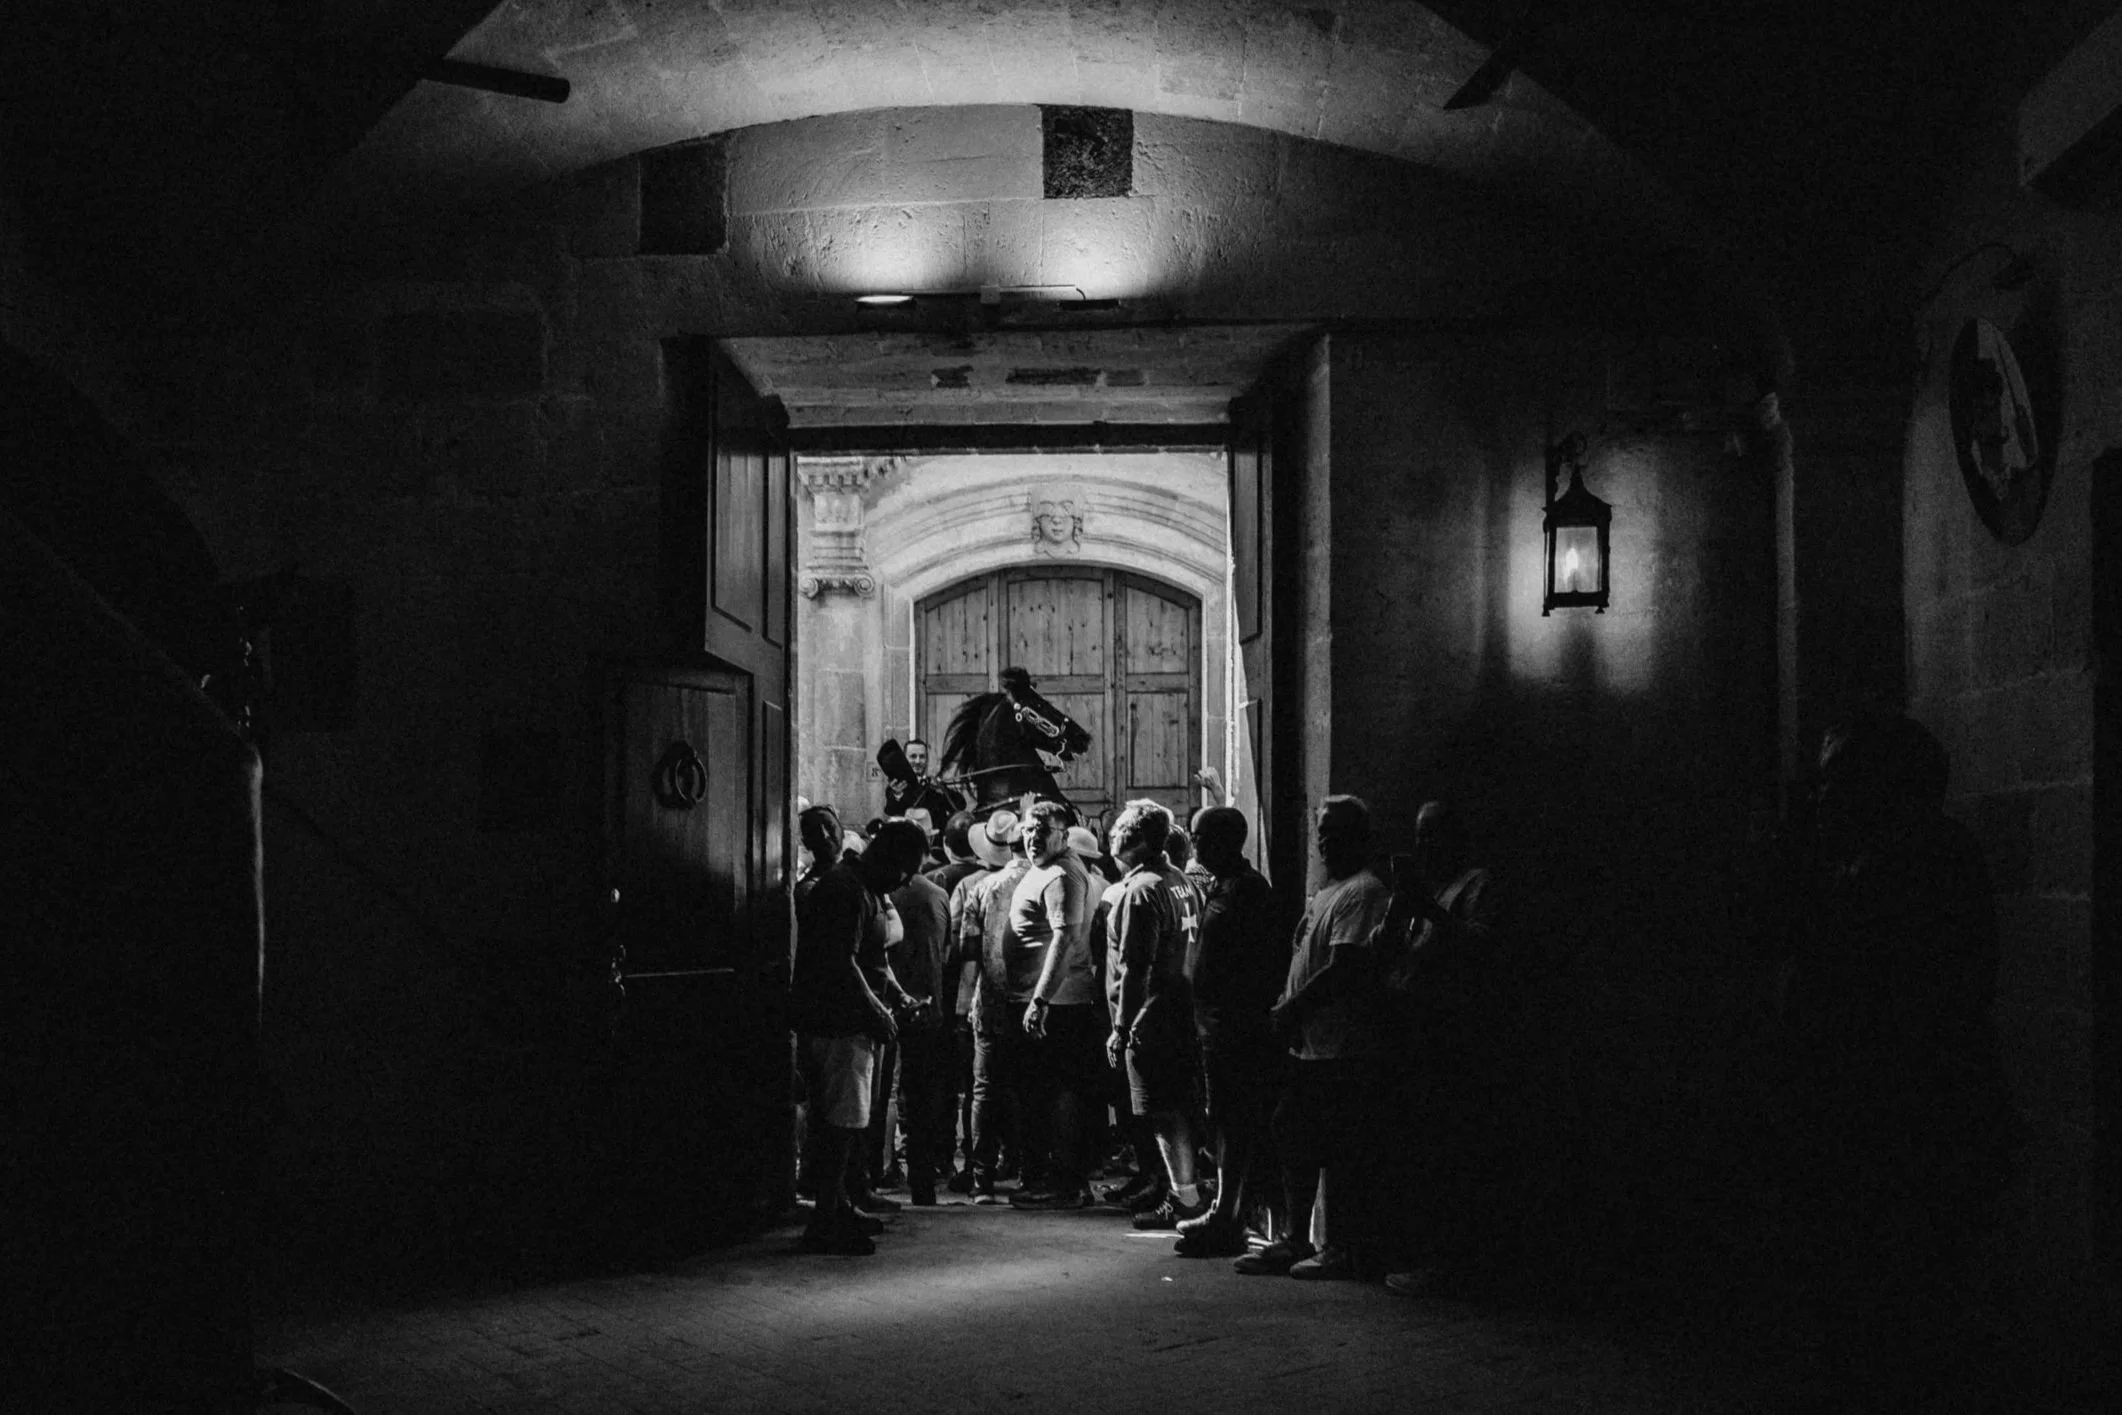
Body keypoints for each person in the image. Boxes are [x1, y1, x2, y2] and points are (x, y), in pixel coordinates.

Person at [1768, 713, 2019, 1398]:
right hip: (1864, 1121)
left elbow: (1887, 990)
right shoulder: (1855, 857)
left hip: (1908, 1124)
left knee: (1902, 1307)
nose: (1823, 794)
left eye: (1835, 778)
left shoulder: (1923, 860)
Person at [1236, 795, 1395, 1280]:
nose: (1325, 841)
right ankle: (1296, 1237)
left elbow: (1344, 969)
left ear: (1361, 837)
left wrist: (1291, 1009)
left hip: (1342, 1046)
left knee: (1340, 1148)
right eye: (1321, 830)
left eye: (1335, 831)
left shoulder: (1364, 892)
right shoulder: (1328, 891)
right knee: (1294, 1134)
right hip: (1311, 1046)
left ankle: (1342, 1247)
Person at [1375, 801, 1506, 1297]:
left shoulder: (1477, 885)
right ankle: (1429, 1255)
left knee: (1448, 1153)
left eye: (1433, 835)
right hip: (1416, 1035)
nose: (1423, 846)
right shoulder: (1427, 890)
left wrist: (1427, 909)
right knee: (1420, 1152)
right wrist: (1399, 909)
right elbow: (1388, 954)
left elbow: (1481, 949)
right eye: (1418, 835)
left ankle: (1451, 1262)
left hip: (1454, 1040)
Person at [788, 818, 927, 1255]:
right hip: (837, 1022)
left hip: (851, 1019)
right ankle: (825, 1219)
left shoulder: (867, 888)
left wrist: (897, 997)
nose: (906, 880)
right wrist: (876, 1011)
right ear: (889, 856)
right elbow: (840, 961)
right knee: (838, 1123)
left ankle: (841, 1205)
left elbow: (873, 956)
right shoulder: (843, 889)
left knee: (848, 1122)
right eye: (905, 869)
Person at [1172, 805, 1283, 1258]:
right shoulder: (1221, 885)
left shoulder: (1249, 892)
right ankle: (1225, 1208)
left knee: (1235, 1122)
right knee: (1221, 1120)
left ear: (1221, 841)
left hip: (1237, 1029)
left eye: (1198, 838)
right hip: (1214, 1026)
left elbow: (1259, 965)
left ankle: (1229, 1217)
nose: (1193, 846)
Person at [1102, 799, 1210, 1231]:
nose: (1112, 838)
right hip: (1183, 1010)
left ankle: (1184, 1198)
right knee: (1179, 1107)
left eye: (1120, 832)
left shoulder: (1140, 890)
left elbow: (1135, 969)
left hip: (1153, 1017)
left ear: (1138, 841)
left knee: (1163, 1111)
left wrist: (1121, 1027)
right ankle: (1183, 1190)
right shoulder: (1181, 880)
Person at [1008, 800, 1105, 1209]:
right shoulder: (1047, 868)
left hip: (1060, 1006)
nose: (1032, 838)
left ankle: (1065, 1182)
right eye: (1028, 830)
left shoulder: (1064, 873)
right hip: (1048, 1003)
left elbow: (1065, 939)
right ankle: (1059, 1178)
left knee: (1060, 1094)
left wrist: (1041, 999)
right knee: (1045, 1093)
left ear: (1063, 836)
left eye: (1041, 831)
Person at [956, 808, 1029, 1201]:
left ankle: (982, 1179)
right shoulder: (1043, 883)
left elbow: (970, 956)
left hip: (990, 1002)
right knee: (1027, 1088)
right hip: (1034, 1002)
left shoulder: (981, 889)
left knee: (984, 1091)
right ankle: (1025, 1172)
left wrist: (962, 1006)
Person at [882, 737, 964, 824]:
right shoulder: (897, 787)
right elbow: (890, 811)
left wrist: (941, 788)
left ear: (927, 760)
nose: (918, 761)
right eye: (913, 756)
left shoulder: (935, 786)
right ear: (905, 759)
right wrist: (897, 794)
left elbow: (961, 804)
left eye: (922, 757)